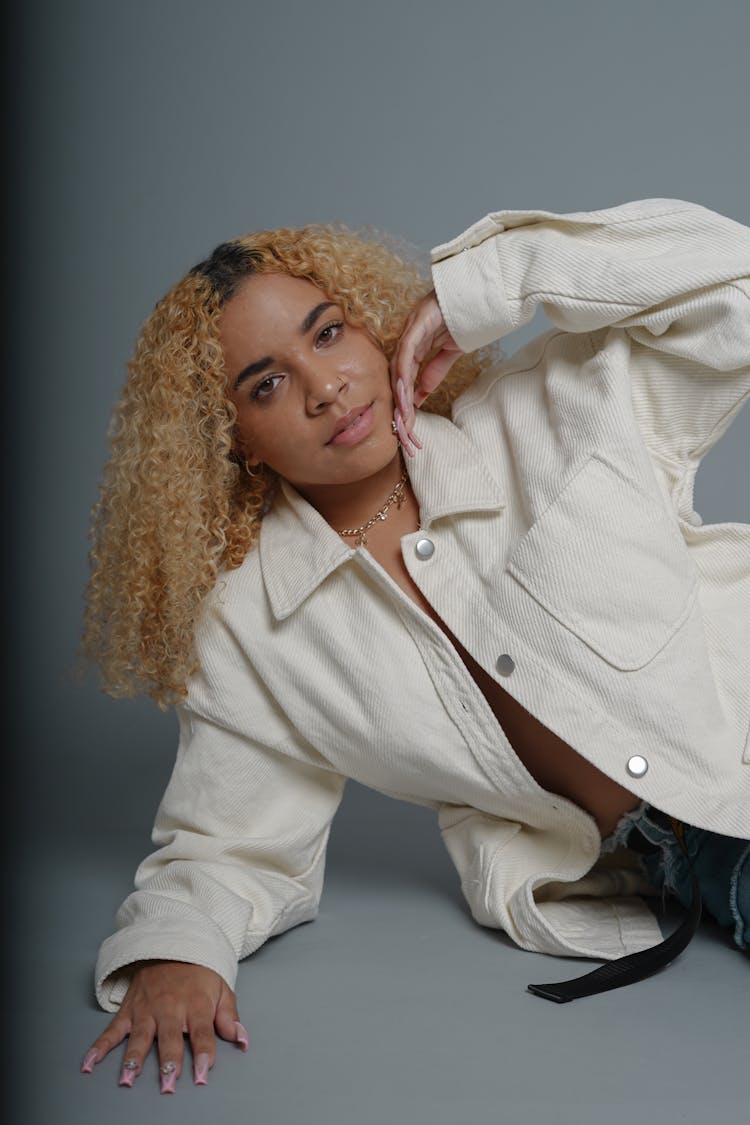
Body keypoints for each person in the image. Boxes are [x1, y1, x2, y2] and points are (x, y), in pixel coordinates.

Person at [80, 198, 750, 1093]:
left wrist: (481, 286)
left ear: (371, 327)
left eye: (328, 333)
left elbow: (732, 284)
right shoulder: (257, 625)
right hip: (689, 855)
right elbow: (231, 839)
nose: (324, 387)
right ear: (229, 438)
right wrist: (180, 948)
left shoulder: (551, 408)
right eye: (266, 384)